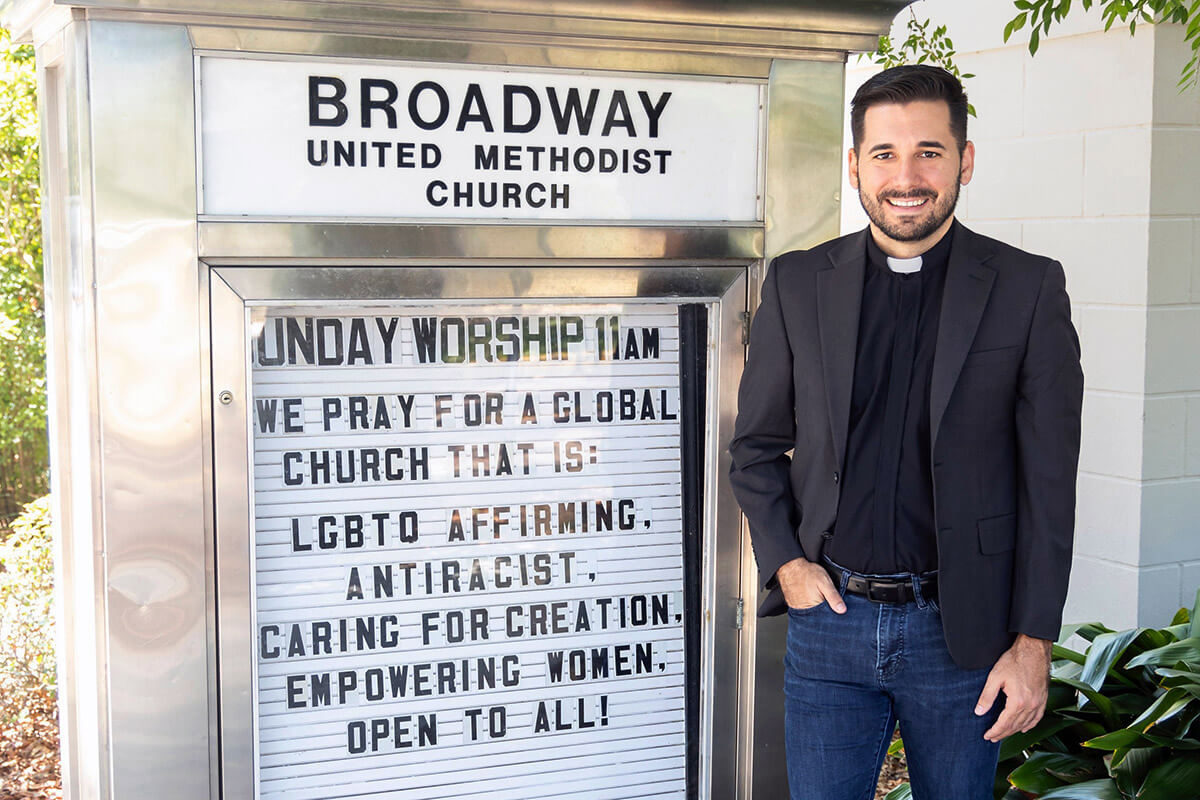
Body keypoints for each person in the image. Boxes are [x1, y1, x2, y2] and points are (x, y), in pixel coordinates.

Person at [729, 65, 1083, 800]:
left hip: (964, 634)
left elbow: (1051, 482)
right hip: (830, 624)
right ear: (855, 164)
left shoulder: (1027, 287)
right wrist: (789, 565)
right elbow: (755, 449)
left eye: (930, 151)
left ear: (966, 160)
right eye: (885, 154)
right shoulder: (798, 284)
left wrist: (1032, 643)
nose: (907, 176)